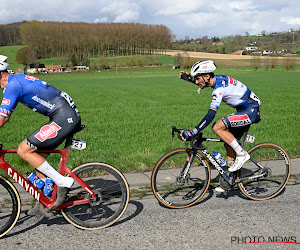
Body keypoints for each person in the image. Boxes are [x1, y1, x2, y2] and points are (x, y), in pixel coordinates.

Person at [0, 55, 81, 213]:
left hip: (64, 117)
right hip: (64, 114)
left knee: (23, 150)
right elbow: (6, 116)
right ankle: (45, 202)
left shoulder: (12, 86)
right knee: (37, 158)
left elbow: (2, 118)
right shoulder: (16, 80)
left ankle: (62, 182)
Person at [179, 60, 261, 192]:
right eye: (196, 79)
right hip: (244, 110)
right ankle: (229, 180)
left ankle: (242, 154)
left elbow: (210, 115)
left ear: (206, 76)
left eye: (198, 78)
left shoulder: (219, 89)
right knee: (228, 143)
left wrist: (194, 131)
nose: (197, 82)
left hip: (251, 111)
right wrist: (189, 79)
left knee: (217, 127)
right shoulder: (217, 80)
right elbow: (204, 83)